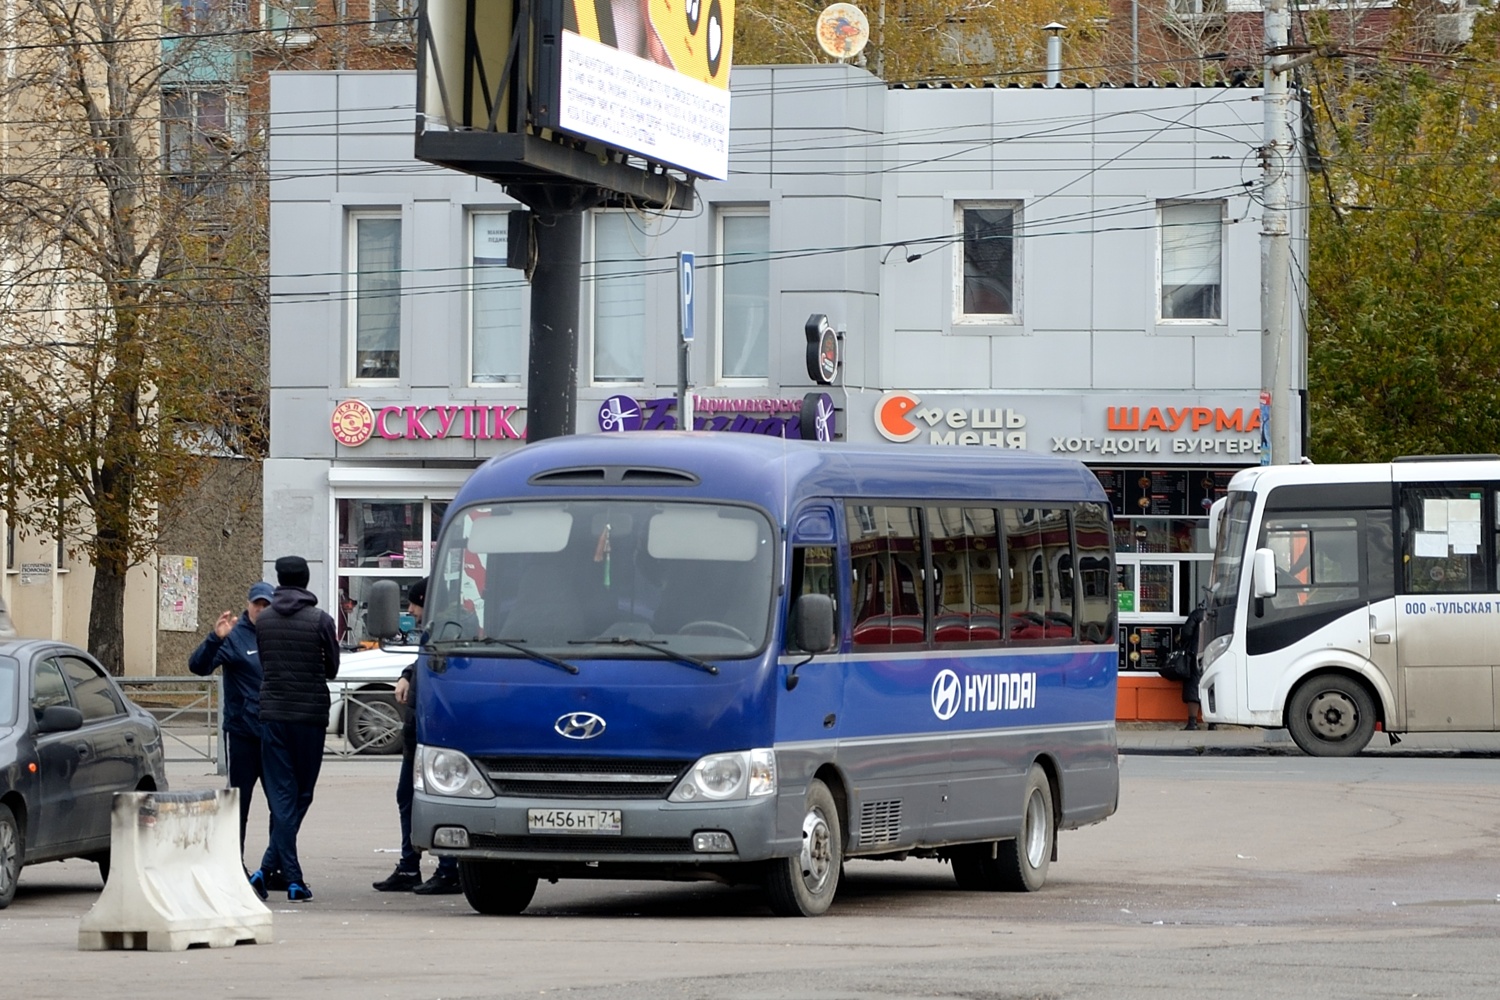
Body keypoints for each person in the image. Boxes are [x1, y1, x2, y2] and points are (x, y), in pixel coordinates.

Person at [251, 555, 340, 903]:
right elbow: (332, 668)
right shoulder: (321, 620)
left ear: (279, 579)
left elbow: (265, 662)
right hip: (309, 716)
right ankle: (289, 877)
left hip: (272, 715)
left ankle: (270, 870)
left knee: (282, 796)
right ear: (305, 580)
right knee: (301, 794)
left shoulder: (264, 620)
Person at [373, 576, 462, 895]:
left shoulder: (453, 626)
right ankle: (410, 865)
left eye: (415, 603)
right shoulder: (441, 625)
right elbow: (424, 661)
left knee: (440, 798)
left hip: (434, 730)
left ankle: (448, 868)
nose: (411, 610)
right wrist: (408, 674)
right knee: (407, 795)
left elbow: (441, 664)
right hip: (419, 728)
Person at [188, 581, 275, 873]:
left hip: (274, 733)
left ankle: (277, 865)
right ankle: (234, 865)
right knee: (239, 803)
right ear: (249, 605)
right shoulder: (235, 636)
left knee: (280, 805)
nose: (261, 611)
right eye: (257, 605)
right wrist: (215, 637)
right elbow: (198, 666)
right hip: (242, 734)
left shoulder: (277, 634)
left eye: (266, 606)